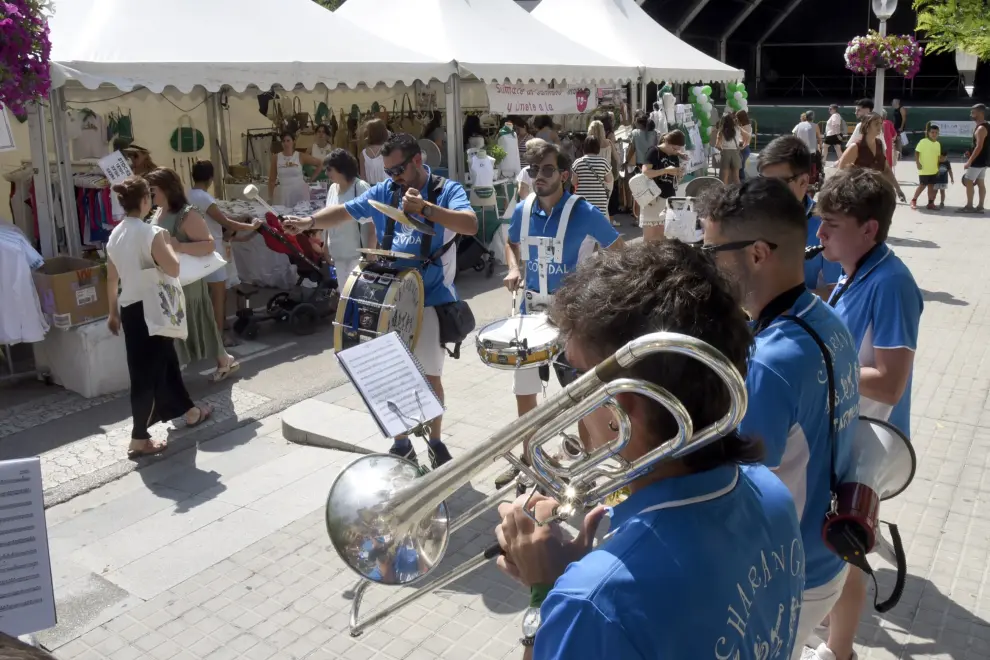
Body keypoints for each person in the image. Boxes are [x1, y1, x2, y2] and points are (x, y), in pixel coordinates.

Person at [495, 241, 805, 660]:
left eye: (575, 376)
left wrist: (546, 596)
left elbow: (614, 609)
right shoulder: (771, 492)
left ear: (623, 405)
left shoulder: (591, 605)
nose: (569, 398)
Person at [701, 177, 860, 660]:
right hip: (825, 555)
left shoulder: (770, 361)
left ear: (756, 254)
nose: (707, 266)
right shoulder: (825, 317)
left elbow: (735, 497)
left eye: (712, 253)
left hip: (791, 577)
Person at [281, 134, 478, 468]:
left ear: (417, 160)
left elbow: (470, 225)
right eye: (387, 171)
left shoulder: (446, 189)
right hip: (389, 295)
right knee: (389, 375)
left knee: (430, 378)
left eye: (398, 169)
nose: (392, 177)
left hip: (430, 298)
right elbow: (345, 211)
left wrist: (427, 208)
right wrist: (309, 222)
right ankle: (402, 443)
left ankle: (436, 441)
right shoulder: (386, 190)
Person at [813, 168, 924, 660]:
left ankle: (840, 652)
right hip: (844, 431)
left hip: (866, 440)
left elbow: (890, 380)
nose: (819, 234)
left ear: (869, 229)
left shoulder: (893, 283)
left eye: (830, 224)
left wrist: (808, 372)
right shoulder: (855, 269)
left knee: (844, 551)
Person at [497, 140, 623, 489]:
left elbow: (619, 253)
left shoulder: (584, 213)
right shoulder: (523, 210)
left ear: (565, 174)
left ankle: (583, 464)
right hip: (530, 314)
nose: (539, 176)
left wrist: (598, 290)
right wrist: (513, 268)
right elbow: (511, 242)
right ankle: (531, 460)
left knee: (580, 395)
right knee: (525, 391)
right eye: (533, 170)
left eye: (547, 169)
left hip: (573, 320)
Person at [105, 176, 213, 459]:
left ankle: (189, 410)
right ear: (144, 200)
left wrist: (112, 312)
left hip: (130, 308)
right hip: (152, 308)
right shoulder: (149, 233)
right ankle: (139, 438)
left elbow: (111, 277)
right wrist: (166, 240)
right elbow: (174, 268)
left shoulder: (115, 234)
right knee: (148, 374)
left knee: (165, 363)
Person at [146, 168, 241, 381]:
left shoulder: (187, 214)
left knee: (192, 323)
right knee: (185, 324)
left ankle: (178, 373)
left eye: (153, 190)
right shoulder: (157, 212)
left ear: (166, 189)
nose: (150, 195)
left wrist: (179, 245)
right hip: (167, 281)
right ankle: (221, 360)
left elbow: (208, 245)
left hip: (186, 283)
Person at [757, 136, 842, 299]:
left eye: (777, 184)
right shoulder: (752, 219)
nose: (767, 192)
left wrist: (782, 299)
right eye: (763, 182)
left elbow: (835, 293)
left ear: (803, 181)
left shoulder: (826, 226)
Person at [188, 160, 262, 347]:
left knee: (207, 296)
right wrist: (250, 226)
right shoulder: (205, 199)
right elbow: (226, 223)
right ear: (211, 178)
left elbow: (222, 219)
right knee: (218, 296)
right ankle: (219, 338)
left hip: (196, 249)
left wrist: (240, 218)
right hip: (212, 251)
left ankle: (210, 331)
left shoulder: (188, 195)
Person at [322, 148, 377, 280]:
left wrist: (371, 251)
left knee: (358, 297)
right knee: (344, 297)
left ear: (341, 169)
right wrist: (325, 245)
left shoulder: (361, 187)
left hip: (357, 256)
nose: (326, 173)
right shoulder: (332, 189)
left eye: (329, 169)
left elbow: (373, 222)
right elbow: (328, 219)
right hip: (337, 253)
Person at [837, 113, 907, 202]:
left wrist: (898, 189)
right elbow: (840, 171)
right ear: (867, 126)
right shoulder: (855, 147)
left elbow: (886, 170)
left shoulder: (879, 144)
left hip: (876, 194)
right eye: (876, 124)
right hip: (858, 197)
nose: (880, 126)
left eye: (881, 123)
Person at [640, 129, 686, 243]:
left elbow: (674, 180)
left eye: (678, 149)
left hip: (669, 199)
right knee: (650, 238)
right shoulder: (654, 151)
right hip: (653, 199)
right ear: (667, 142)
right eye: (674, 148)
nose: (676, 151)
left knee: (665, 237)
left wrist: (679, 174)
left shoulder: (674, 156)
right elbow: (645, 172)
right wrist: (665, 171)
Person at [268, 131, 321, 207]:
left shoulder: (300, 156)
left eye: (288, 141)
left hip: (300, 192)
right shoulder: (276, 158)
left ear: (293, 141)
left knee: (301, 215)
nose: (286, 143)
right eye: (283, 141)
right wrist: (270, 198)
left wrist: (311, 180)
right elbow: (272, 180)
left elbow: (319, 163)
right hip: (284, 194)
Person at [570, 135, 613, 218]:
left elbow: (573, 182)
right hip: (600, 199)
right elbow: (609, 179)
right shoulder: (603, 162)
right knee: (597, 223)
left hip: (583, 200)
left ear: (584, 147)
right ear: (598, 147)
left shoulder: (578, 162)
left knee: (583, 222)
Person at [959, 103, 988, 214]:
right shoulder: (983, 126)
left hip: (977, 161)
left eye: (973, 112)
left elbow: (979, 146)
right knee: (980, 182)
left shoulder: (981, 128)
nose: (971, 114)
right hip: (983, 160)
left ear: (981, 113)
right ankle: (980, 206)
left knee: (969, 181)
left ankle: (969, 206)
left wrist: (969, 160)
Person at [910, 124, 941, 210]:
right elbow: (917, 152)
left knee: (931, 186)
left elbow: (938, 157)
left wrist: (938, 168)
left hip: (933, 170)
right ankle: (913, 200)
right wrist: (917, 163)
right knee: (922, 185)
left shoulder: (938, 144)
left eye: (936, 132)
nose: (934, 134)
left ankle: (930, 203)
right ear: (928, 133)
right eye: (932, 132)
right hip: (924, 170)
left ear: (938, 134)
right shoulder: (923, 141)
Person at [716, 111, 743, 184]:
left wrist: (721, 148)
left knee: (724, 178)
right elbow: (741, 141)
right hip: (735, 153)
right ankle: (739, 193)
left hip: (725, 153)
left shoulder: (721, 131)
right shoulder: (737, 129)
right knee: (736, 178)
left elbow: (717, 145)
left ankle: (724, 193)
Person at [361, 118, 389, 185]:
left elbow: (363, 177)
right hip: (386, 188)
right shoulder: (388, 149)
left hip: (370, 189)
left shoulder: (363, 153)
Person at [736, 109, 753, 179]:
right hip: (743, 148)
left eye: (737, 117)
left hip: (743, 149)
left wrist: (742, 147)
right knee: (740, 168)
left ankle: (742, 184)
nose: (736, 119)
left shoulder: (747, 127)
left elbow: (747, 139)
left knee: (741, 168)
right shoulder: (744, 126)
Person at [891, 98, 908, 164]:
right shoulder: (895, 109)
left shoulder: (901, 108)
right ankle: (897, 155)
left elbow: (904, 118)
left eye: (893, 102)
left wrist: (901, 127)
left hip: (900, 128)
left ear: (897, 103)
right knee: (896, 141)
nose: (892, 103)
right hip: (895, 127)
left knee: (899, 141)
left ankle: (900, 155)